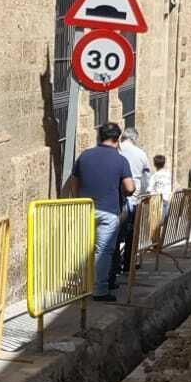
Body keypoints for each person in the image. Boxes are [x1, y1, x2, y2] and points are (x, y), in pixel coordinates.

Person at [66, 122, 135, 302]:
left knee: (83, 248)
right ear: (117, 139)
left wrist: (78, 199)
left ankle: (80, 284)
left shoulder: (84, 156)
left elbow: (74, 181)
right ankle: (100, 290)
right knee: (103, 251)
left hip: (85, 208)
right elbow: (130, 187)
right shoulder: (120, 160)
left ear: (99, 136)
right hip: (108, 211)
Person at [116, 127, 153, 283]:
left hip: (117, 197)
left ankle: (114, 265)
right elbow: (146, 178)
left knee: (115, 234)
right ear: (134, 138)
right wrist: (144, 194)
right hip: (134, 197)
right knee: (131, 233)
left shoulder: (117, 151)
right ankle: (127, 264)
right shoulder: (141, 154)